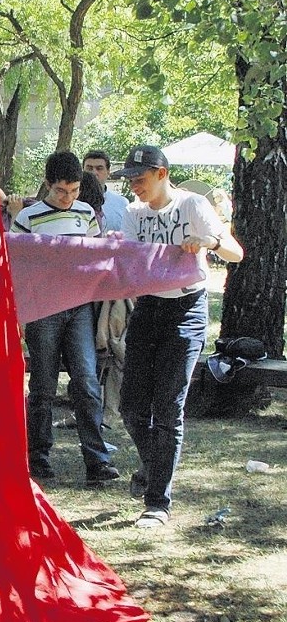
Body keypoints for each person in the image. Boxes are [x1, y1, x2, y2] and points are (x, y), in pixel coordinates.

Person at [111, 145, 243, 528]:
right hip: (148, 309)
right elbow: (132, 264)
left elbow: (236, 253)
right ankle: (154, 466)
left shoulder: (193, 207)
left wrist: (209, 243)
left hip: (187, 310)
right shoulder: (134, 214)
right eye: (131, 180)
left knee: (169, 409)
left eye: (140, 178)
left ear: (162, 174)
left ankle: (157, 503)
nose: (134, 186)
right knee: (132, 407)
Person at [9, 151, 119, 486]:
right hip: (43, 310)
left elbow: (96, 255)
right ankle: (38, 458)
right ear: (47, 184)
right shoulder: (28, 217)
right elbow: (15, 264)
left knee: (86, 382)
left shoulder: (86, 213)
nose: (68, 198)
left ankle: (97, 461)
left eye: (73, 191)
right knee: (42, 385)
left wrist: (109, 247)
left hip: (79, 308)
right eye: (61, 191)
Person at [83, 150, 129, 232]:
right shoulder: (72, 201)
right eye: (89, 168)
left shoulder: (122, 203)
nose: (94, 173)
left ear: (108, 172)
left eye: (99, 168)